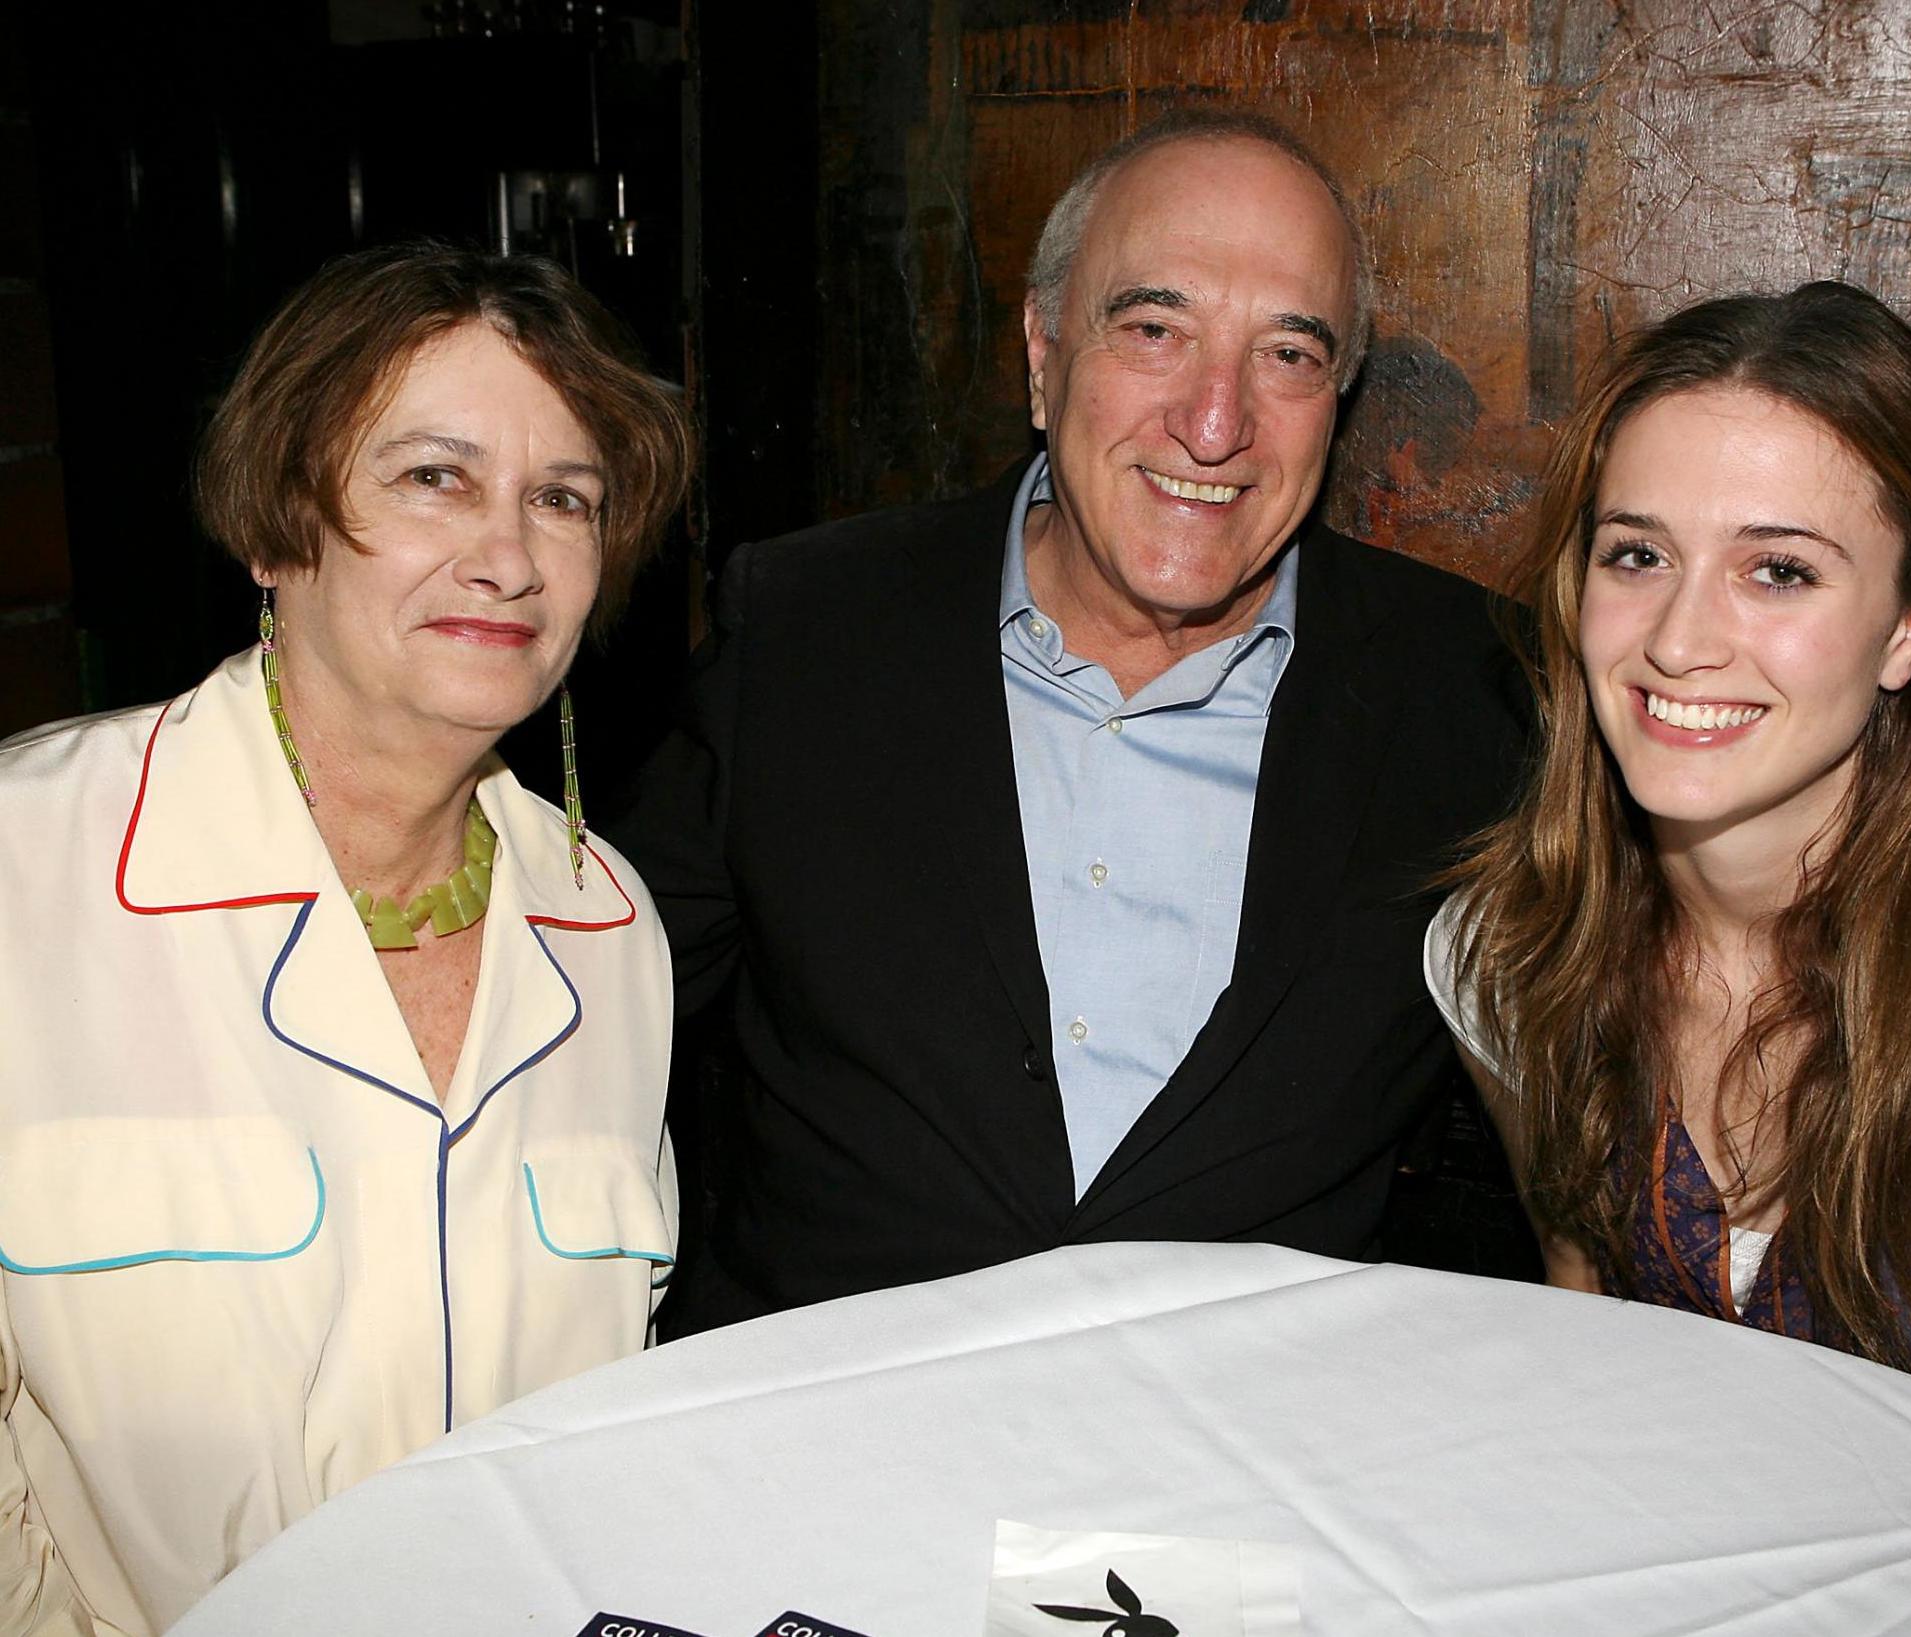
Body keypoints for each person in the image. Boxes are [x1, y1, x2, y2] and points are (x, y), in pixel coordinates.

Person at [616, 111, 1525, 1324]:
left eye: (1288, 355)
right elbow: (573, 998)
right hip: (825, 1438)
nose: (1215, 421)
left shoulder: (1475, 692)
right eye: (1153, 329)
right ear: (1043, 356)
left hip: (1247, 1465)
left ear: (1341, 394)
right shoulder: (804, 632)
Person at [0, 243, 692, 1633]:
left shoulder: (609, 926)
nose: (505, 556)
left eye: (563, 499)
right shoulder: (32, 872)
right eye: (435, 477)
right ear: (277, 522)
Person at [1428, 281, 1911, 1479]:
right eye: (1637, 553)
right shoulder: (1507, 947)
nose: (1677, 638)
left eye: (1777, 571)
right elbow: (1586, 1380)